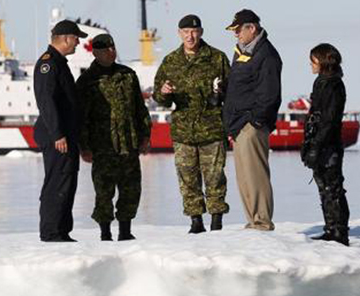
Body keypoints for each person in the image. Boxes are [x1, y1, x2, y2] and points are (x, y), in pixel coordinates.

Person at [152, 15, 231, 233]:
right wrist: (164, 93)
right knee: (187, 179)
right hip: (184, 131)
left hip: (212, 128)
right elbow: (159, 97)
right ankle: (196, 221)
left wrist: (221, 93)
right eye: (186, 31)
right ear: (179, 33)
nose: (190, 36)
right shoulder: (171, 61)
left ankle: (216, 220)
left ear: (201, 32)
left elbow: (232, 92)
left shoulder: (217, 58)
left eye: (194, 31)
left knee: (215, 177)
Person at [76, 34, 151, 241]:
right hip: (102, 147)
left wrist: (145, 136)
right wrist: (84, 146)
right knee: (104, 192)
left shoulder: (128, 75)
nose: (111, 52)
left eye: (113, 48)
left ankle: (125, 231)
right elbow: (81, 118)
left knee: (131, 189)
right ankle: (105, 233)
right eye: (105, 49)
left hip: (129, 143)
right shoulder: (87, 81)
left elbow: (140, 109)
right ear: (96, 52)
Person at [223, 9, 282, 231]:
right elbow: (241, 87)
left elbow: (269, 93)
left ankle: (262, 221)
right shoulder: (243, 52)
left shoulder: (265, 54)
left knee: (255, 175)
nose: (236, 34)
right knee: (245, 177)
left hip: (251, 124)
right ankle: (253, 220)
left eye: (238, 30)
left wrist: (256, 121)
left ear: (252, 28)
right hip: (239, 125)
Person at [33, 20, 88, 242]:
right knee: (57, 182)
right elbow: (46, 101)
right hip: (57, 136)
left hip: (65, 134)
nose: (78, 43)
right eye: (76, 38)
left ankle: (62, 230)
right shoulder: (48, 64)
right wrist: (58, 134)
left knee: (67, 181)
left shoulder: (59, 63)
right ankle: (51, 232)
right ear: (66, 38)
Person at [301, 43, 350, 246]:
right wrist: (309, 144)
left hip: (329, 144)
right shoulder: (320, 82)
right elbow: (316, 115)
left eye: (312, 60)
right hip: (318, 141)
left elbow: (329, 120)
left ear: (321, 61)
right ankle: (330, 228)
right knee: (324, 187)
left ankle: (339, 231)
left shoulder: (334, 85)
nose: (310, 64)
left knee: (333, 187)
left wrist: (316, 146)